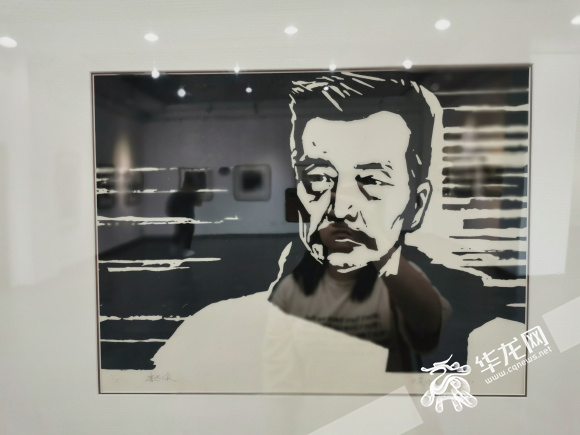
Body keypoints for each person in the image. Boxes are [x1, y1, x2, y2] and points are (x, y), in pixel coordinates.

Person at [269, 72, 452, 371]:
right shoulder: (291, 292)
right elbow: (279, 370)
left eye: (371, 180)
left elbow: (428, 330)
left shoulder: (395, 282)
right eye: (320, 178)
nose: (341, 209)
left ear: (417, 205)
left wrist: (379, 246)